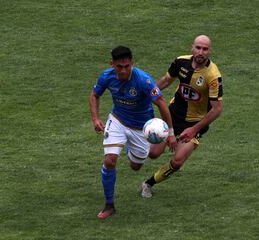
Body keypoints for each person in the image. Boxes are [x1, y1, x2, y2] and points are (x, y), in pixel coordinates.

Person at [89, 46, 177, 219]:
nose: (123, 70)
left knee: (136, 167)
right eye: (119, 67)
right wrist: (96, 119)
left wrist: (171, 133)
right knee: (110, 160)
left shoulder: (143, 81)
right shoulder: (106, 76)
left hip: (140, 128)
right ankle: (109, 204)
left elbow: (161, 104)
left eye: (126, 66)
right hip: (118, 121)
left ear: (132, 64)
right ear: (112, 64)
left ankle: (130, 149)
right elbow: (94, 95)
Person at [141, 35, 223, 198]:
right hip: (173, 115)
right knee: (153, 153)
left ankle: (148, 184)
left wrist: (194, 129)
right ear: (192, 48)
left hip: (195, 123)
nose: (201, 52)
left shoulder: (213, 76)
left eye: (205, 49)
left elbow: (217, 109)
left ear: (210, 51)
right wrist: (145, 97)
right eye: (198, 48)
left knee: (178, 161)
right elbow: (165, 80)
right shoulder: (181, 62)